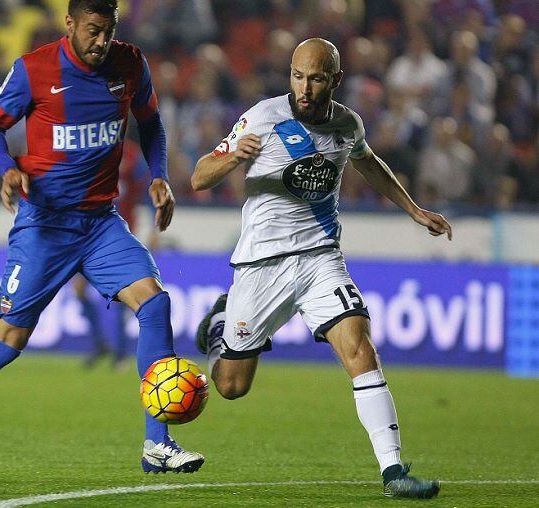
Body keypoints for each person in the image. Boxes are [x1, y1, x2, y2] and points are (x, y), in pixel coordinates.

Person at [0, 0, 203, 485]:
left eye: (109, 31)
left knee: (155, 303)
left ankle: (157, 444)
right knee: (4, 343)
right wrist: (7, 168)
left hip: (100, 223)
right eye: (93, 30)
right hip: (45, 226)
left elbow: (151, 123)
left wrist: (159, 175)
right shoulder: (35, 70)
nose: (101, 41)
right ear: (70, 24)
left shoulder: (130, 63)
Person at [191, 38, 450, 499]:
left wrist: (413, 210)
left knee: (360, 348)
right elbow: (198, 176)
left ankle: (393, 472)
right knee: (231, 386)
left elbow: (369, 164)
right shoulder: (263, 117)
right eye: (297, 77)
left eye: (315, 78)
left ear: (335, 79)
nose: (305, 89)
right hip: (262, 264)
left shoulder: (348, 124)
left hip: (320, 258)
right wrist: (233, 158)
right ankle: (219, 326)